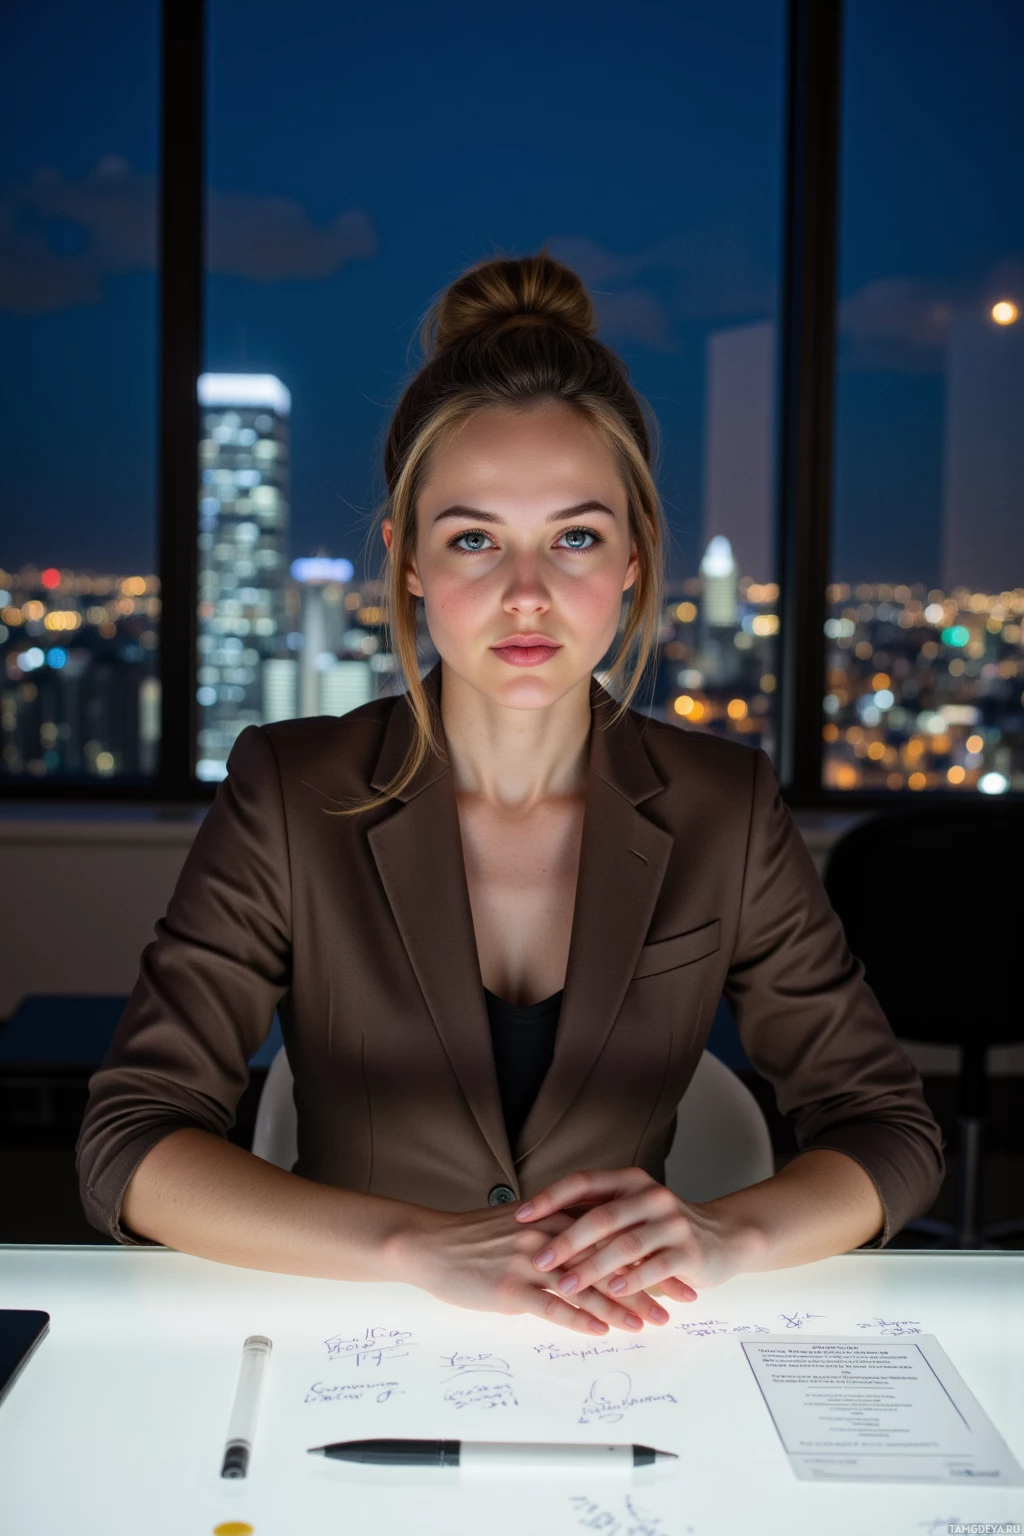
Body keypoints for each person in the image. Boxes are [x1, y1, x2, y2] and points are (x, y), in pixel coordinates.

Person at [76, 253, 945, 1340]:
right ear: (406, 560)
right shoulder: (291, 792)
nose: (526, 593)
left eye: (575, 536)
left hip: (630, 1356)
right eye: (474, 539)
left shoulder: (724, 806)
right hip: (352, 1344)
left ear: (632, 555)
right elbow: (128, 1144)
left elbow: (888, 1131)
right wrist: (413, 1248)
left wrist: (729, 1236)